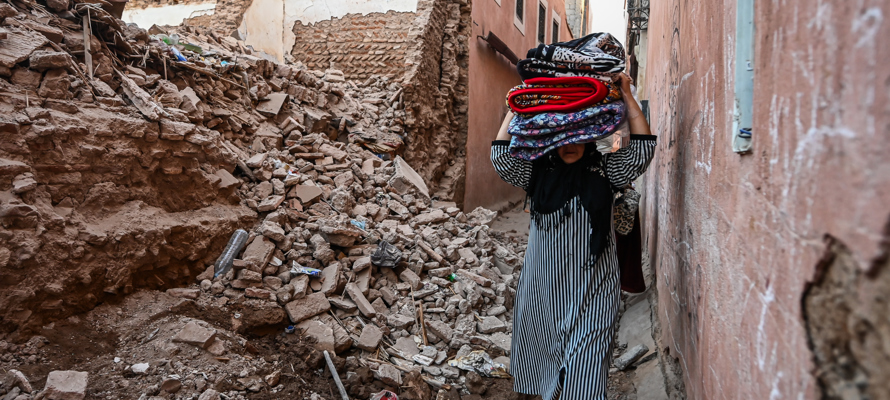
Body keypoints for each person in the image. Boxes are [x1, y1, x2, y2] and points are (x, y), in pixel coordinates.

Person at [490, 73, 657, 399]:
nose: (569, 145)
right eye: (561, 137)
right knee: (542, 367)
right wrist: (515, 106)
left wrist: (626, 94)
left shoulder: (605, 159)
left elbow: (640, 148)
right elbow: (500, 155)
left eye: (577, 135)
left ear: (590, 135)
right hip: (542, 294)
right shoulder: (538, 168)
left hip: (592, 293)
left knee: (587, 372)